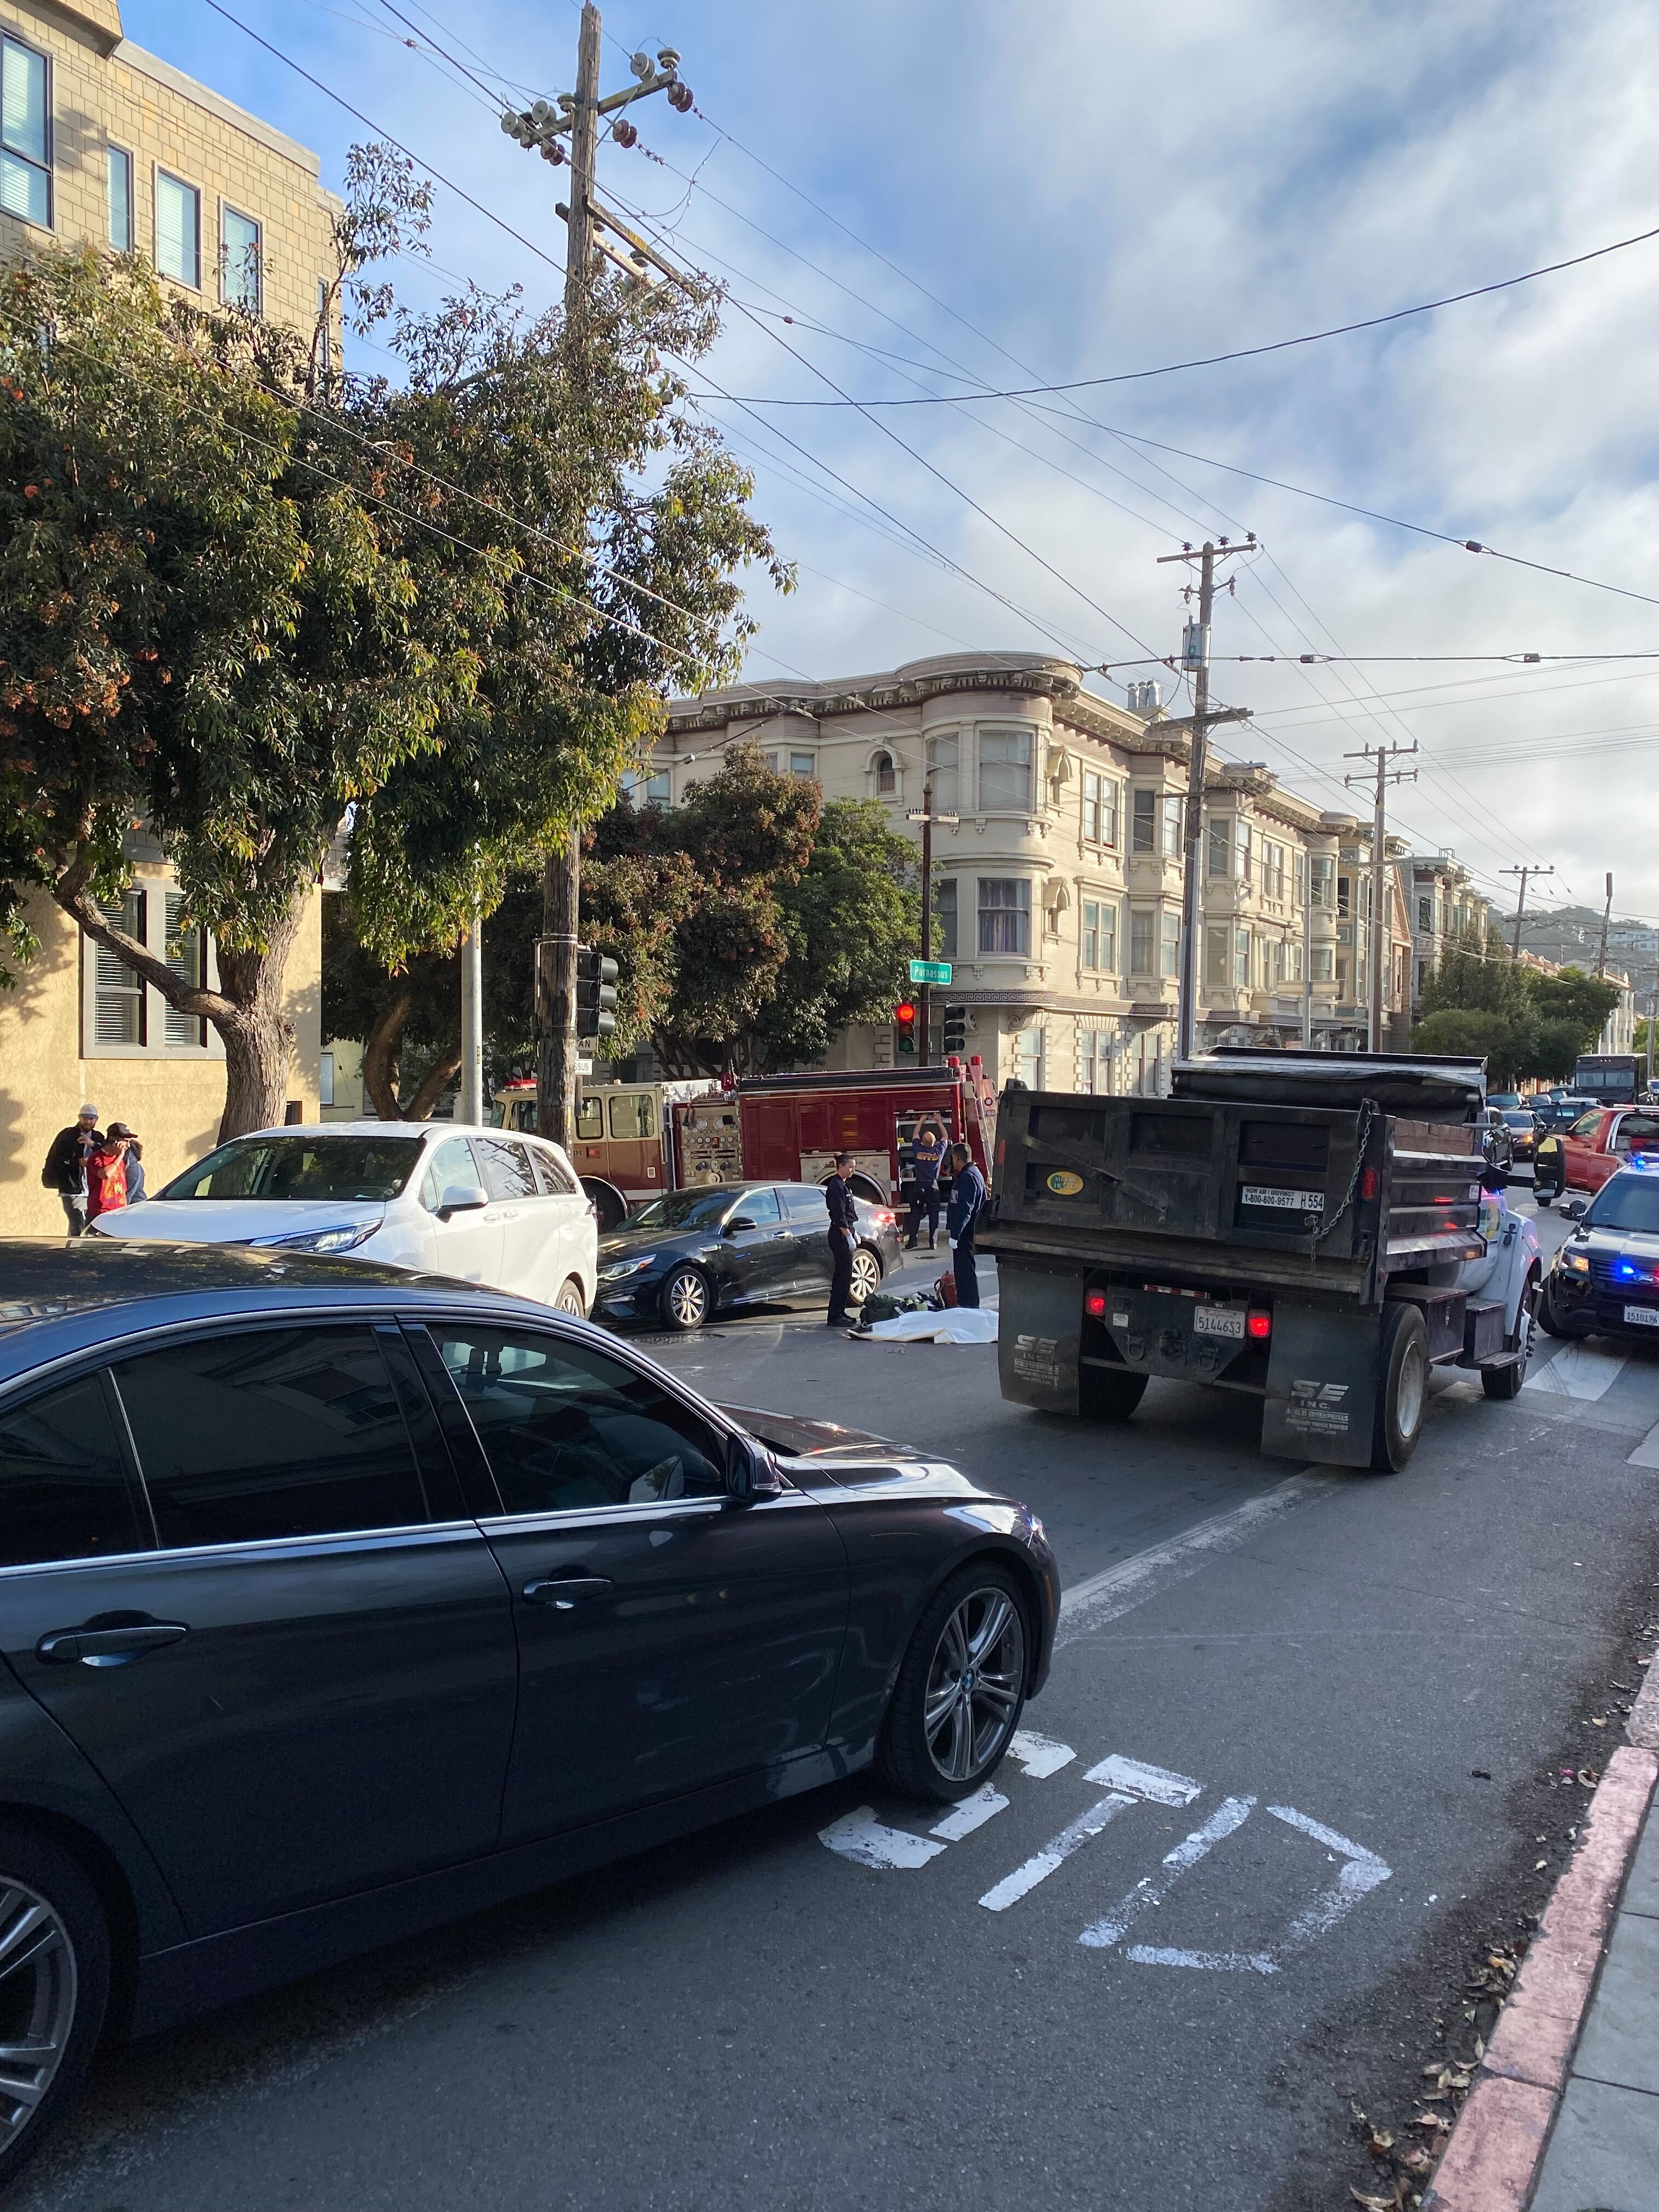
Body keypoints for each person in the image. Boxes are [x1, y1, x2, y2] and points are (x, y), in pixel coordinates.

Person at [41, 1105, 102, 1237]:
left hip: (92, 1189)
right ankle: (75, 1252)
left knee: (89, 1227)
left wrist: (93, 1144)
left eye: (92, 1118)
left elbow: (106, 1153)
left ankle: (72, 1249)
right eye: (85, 1118)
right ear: (79, 1118)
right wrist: (77, 1162)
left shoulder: (98, 1137)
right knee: (78, 1223)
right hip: (72, 1187)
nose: (89, 1121)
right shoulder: (67, 1135)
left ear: (97, 1119)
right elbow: (55, 1160)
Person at [945, 1140, 988, 1309]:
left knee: (965, 1272)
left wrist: (956, 1234)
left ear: (957, 1158)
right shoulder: (973, 1173)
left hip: (965, 1232)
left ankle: (969, 1305)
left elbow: (965, 1208)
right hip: (969, 1230)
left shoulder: (968, 1177)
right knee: (965, 1270)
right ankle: (968, 1303)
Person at [825, 1151, 859, 1326]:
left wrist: (854, 1232)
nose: (853, 1170)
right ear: (841, 1167)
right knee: (842, 1276)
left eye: (854, 1167)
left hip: (846, 1232)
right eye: (850, 1167)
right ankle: (835, 1315)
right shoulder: (836, 1186)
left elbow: (849, 1212)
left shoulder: (844, 1185)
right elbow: (838, 1214)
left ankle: (840, 1312)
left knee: (846, 1276)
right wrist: (848, 1235)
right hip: (840, 1235)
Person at [906, 1117, 946, 1249]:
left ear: (922, 1142)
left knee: (916, 1213)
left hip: (919, 1186)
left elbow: (915, 1134)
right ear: (935, 1142)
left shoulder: (918, 1150)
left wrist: (922, 1118)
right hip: (933, 1186)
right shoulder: (939, 1151)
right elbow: (945, 1136)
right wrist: (939, 1121)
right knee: (934, 1214)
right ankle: (933, 1242)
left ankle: (913, 1240)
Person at [84, 1126, 129, 1224]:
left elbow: (122, 1189)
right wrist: (120, 1156)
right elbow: (105, 1174)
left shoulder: (121, 1162)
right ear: (115, 1141)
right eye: (125, 1141)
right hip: (100, 1213)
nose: (128, 1146)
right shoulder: (96, 1158)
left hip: (118, 1212)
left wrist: (125, 1209)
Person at [108, 1124, 144, 1203]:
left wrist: (119, 1210)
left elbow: (128, 1192)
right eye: (126, 1141)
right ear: (113, 1140)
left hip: (132, 1207)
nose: (128, 1145)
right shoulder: (118, 1156)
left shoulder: (129, 1161)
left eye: (129, 1142)